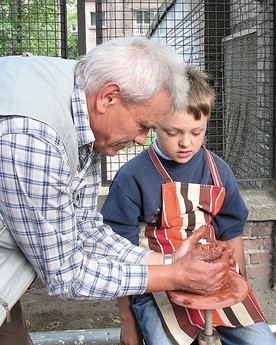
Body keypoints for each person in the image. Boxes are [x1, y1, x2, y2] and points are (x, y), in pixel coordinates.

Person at [0, 37, 230, 345]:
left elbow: (86, 229)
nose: (140, 140)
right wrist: (174, 276)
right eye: (142, 126)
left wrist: (169, 263)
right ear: (110, 97)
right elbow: (66, 276)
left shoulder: (84, 101)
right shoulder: (32, 139)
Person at [102, 65, 276, 345]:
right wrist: (127, 321)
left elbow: (232, 235)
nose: (186, 143)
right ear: (155, 122)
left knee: (261, 341)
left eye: (197, 132)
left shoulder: (218, 171)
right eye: (173, 132)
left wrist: (239, 288)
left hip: (212, 278)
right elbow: (116, 256)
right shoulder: (132, 177)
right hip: (157, 282)